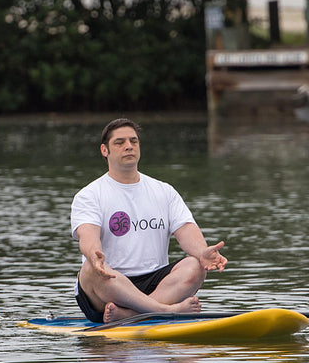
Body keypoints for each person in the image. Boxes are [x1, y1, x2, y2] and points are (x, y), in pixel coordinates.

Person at [70, 118, 227, 323]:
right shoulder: (89, 195)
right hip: (108, 289)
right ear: (104, 150)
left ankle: (133, 315)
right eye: (120, 142)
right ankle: (163, 310)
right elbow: (88, 235)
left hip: (155, 284)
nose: (128, 146)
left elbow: (186, 229)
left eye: (133, 141)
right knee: (90, 268)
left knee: (195, 265)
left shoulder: (164, 191)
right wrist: (94, 254)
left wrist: (202, 252)